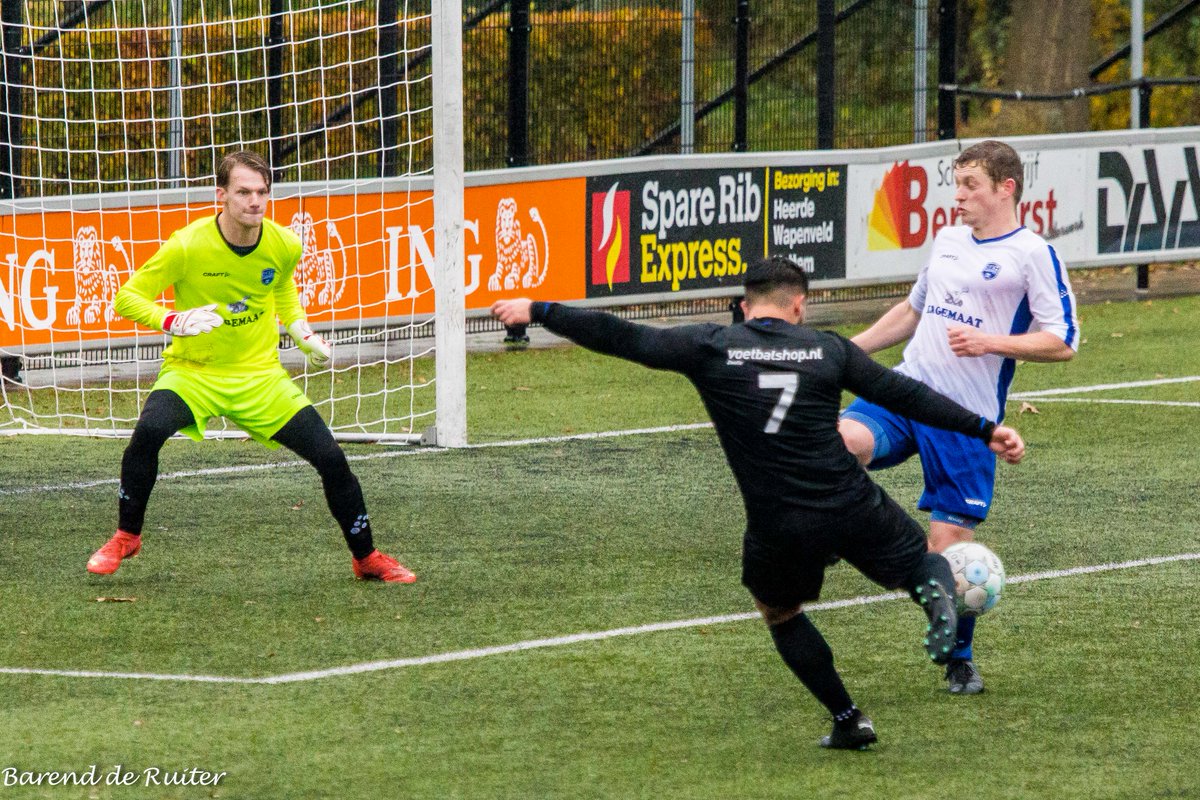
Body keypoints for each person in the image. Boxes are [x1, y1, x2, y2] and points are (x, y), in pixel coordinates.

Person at [491, 256, 1025, 750]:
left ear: (746, 307)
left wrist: (540, 310)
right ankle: (929, 592)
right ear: (799, 306)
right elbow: (906, 394)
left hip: (780, 520)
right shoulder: (829, 349)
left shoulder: (713, 345)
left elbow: (622, 336)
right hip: (849, 499)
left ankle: (848, 719)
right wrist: (983, 428)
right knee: (918, 562)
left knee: (780, 611)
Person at [86, 150, 416, 584]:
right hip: (194, 373)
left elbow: (281, 291)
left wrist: (301, 332)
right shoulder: (187, 245)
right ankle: (127, 535)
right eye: (244, 192)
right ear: (221, 194)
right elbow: (127, 297)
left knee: (332, 458)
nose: (254, 201)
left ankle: (366, 557)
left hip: (260, 378)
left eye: (262, 192)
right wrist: (173, 320)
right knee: (148, 432)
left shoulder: (284, 243)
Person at [839, 139, 1079, 694]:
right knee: (837, 443)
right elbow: (911, 311)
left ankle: (959, 660)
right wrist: (843, 354)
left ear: (1006, 188)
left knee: (951, 556)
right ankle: (837, 533)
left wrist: (988, 341)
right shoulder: (947, 240)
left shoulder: (1032, 255)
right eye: (957, 184)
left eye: (970, 185)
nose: (959, 196)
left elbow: (1062, 340)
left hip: (964, 418)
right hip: (907, 388)